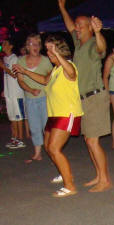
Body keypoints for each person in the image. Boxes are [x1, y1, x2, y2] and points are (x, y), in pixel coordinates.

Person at [13, 35, 83, 197]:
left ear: (59, 50)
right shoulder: (56, 69)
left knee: (54, 148)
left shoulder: (68, 66)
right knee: (48, 146)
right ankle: (65, 173)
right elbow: (44, 80)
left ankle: (70, 185)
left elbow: (72, 73)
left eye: (51, 50)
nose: (48, 53)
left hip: (67, 113)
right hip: (54, 113)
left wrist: (57, 54)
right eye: (48, 50)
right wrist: (25, 72)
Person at [58, 0, 111, 192]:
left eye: (81, 25)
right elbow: (69, 25)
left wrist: (98, 32)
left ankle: (105, 180)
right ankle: (98, 175)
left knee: (92, 140)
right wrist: (62, 7)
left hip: (95, 98)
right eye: (77, 25)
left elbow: (101, 47)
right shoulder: (79, 45)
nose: (77, 28)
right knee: (88, 139)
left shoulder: (92, 45)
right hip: (83, 99)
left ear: (90, 27)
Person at [17, 34, 53, 162]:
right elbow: (20, 81)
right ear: (27, 46)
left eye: (37, 44)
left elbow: (51, 78)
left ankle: (51, 150)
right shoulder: (21, 61)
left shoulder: (46, 60)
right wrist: (31, 90)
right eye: (32, 44)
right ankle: (38, 153)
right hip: (30, 98)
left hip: (44, 98)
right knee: (34, 127)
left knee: (46, 126)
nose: (35, 47)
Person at [0, 38, 26, 149]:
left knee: (18, 116)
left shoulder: (14, 58)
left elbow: (15, 75)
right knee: (12, 117)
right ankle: (14, 138)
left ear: (11, 46)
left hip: (16, 92)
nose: (3, 45)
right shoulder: (5, 58)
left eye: (5, 44)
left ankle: (20, 138)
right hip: (9, 92)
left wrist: (3, 67)